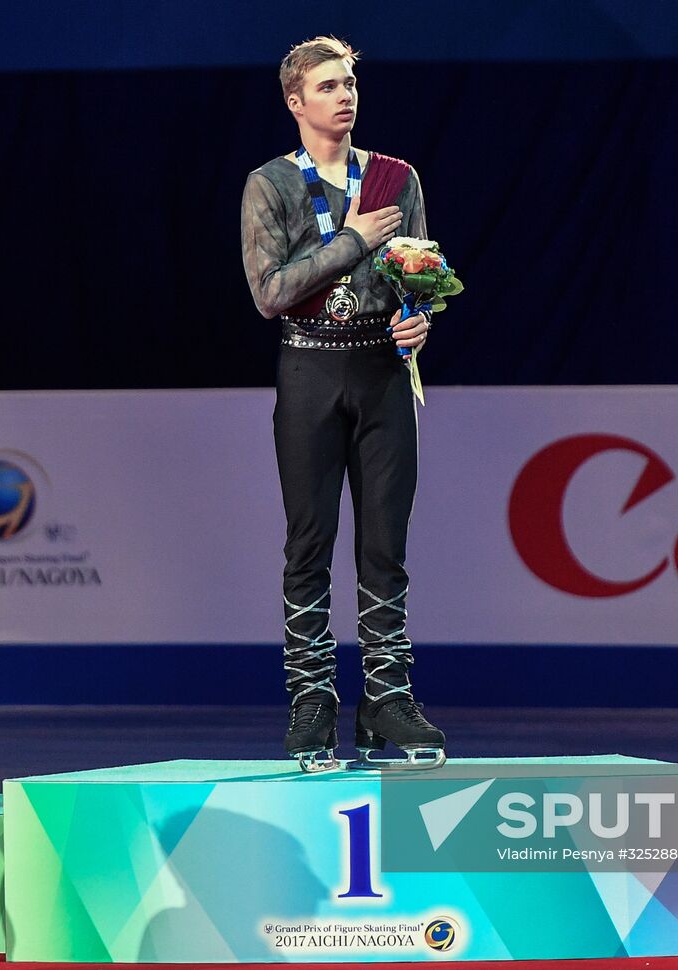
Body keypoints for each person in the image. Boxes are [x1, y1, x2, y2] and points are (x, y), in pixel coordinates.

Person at [240, 36, 445, 771]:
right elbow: (269, 293)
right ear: (296, 102)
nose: (345, 95)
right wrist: (352, 238)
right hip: (310, 372)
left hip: (384, 372)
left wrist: (420, 318)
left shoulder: (397, 177)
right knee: (309, 543)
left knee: (385, 545)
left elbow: (421, 272)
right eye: (328, 86)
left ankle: (387, 697)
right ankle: (312, 700)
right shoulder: (270, 185)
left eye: (350, 82)